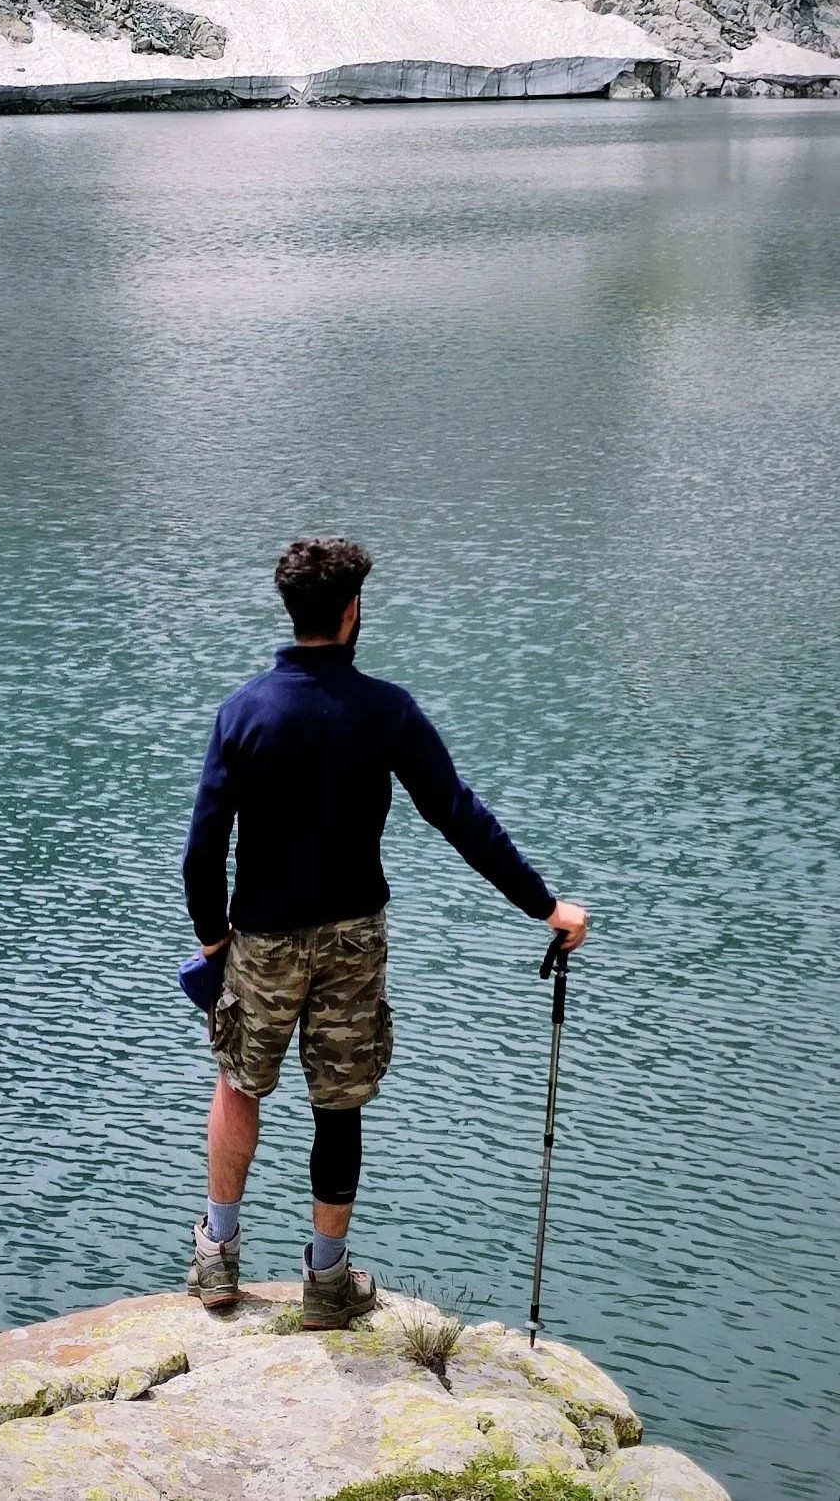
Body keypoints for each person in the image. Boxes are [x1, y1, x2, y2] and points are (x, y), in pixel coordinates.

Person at [181, 536, 588, 1328]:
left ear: (294, 611)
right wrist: (544, 906)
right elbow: (458, 814)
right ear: (351, 611)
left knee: (237, 1081)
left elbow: (203, 847)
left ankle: (217, 1256)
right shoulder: (386, 710)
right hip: (353, 941)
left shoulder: (244, 710)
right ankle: (327, 1281)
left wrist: (212, 942)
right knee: (339, 1104)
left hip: (262, 939)